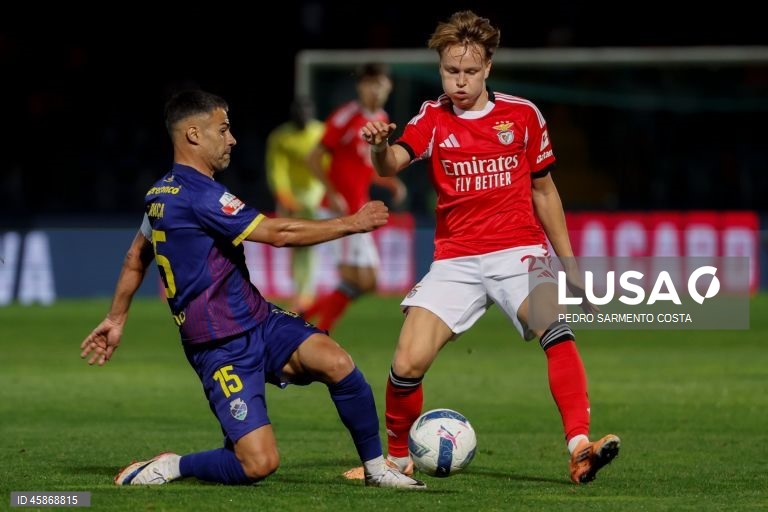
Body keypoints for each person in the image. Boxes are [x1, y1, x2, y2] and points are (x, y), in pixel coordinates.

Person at [79, 89, 425, 490]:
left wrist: (116, 318)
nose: (233, 139)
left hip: (259, 320)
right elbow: (278, 233)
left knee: (337, 363)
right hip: (218, 344)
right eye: (223, 130)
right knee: (258, 464)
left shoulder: (161, 193)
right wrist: (352, 223)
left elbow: (135, 256)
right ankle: (173, 465)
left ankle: (377, 468)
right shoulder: (201, 195)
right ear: (193, 134)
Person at [350, 11, 621, 484]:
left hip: (519, 249)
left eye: (469, 71)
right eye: (451, 71)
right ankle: (395, 460)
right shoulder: (432, 118)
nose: (459, 81)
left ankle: (580, 445)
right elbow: (391, 164)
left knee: (555, 329)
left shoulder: (522, 115)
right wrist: (379, 146)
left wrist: (569, 264)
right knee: (406, 362)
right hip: (455, 258)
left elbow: (544, 192)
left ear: (488, 67)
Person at [301, 63, 406, 331]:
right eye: (370, 83)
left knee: (369, 282)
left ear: (389, 86)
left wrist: (392, 184)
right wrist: (333, 193)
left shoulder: (381, 119)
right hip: (340, 211)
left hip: (360, 210)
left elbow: (365, 166)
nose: (376, 89)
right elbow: (313, 158)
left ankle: (302, 317)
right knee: (352, 277)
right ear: (360, 86)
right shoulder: (345, 116)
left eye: (380, 83)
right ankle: (319, 330)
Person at [265, 97, 325, 311]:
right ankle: (301, 291)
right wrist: (283, 195)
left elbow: (329, 164)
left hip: (315, 194)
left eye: (306, 111)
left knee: (307, 244)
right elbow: (276, 168)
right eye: (299, 111)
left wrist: (331, 191)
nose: (303, 115)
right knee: (294, 245)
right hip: (291, 196)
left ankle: (305, 294)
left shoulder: (321, 133)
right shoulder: (281, 137)